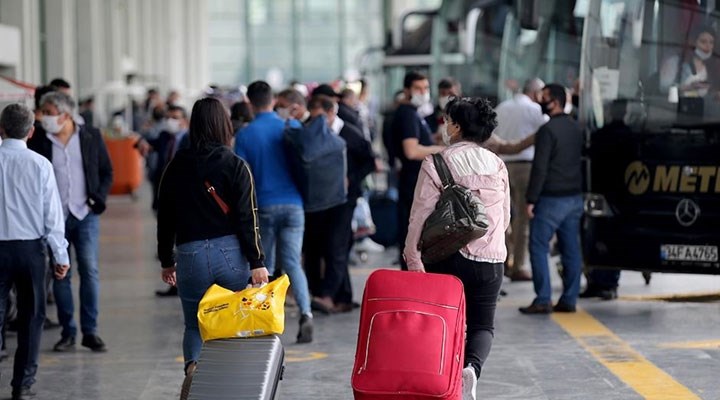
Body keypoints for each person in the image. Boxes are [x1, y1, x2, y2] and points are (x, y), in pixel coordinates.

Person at [157, 97, 269, 385]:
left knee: (194, 324)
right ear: (224, 125)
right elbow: (248, 218)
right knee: (230, 320)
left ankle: (193, 369)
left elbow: (165, 217)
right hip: (229, 253)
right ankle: (227, 381)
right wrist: (257, 262)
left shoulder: (175, 166)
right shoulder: (235, 165)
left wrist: (166, 261)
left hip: (190, 254)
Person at [404, 97, 509, 400]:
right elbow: (504, 218)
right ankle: (472, 369)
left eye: (448, 121)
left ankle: (443, 384)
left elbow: (420, 215)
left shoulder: (437, 161)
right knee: (482, 327)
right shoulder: (497, 163)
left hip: (447, 256)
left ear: (457, 126)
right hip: (490, 259)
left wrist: (413, 257)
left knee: (444, 324)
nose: (445, 126)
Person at [29, 91, 113, 352]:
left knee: (89, 271)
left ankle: (91, 331)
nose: (44, 118)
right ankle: (68, 332)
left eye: (49, 113)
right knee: (60, 274)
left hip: (85, 215)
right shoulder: (40, 140)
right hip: (55, 219)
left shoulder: (90, 136)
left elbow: (106, 171)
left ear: (65, 115)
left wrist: (96, 198)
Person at [235, 81, 314, 343]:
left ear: (249, 102)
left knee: (263, 266)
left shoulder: (245, 135)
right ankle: (306, 313)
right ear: (272, 100)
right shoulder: (289, 127)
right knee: (292, 263)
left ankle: (264, 323)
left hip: (263, 206)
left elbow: (243, 178)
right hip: (294, 204)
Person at [0, 104, 70, 400]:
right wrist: (61, 255)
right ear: (31, 131)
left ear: (1, 130)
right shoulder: (40, 164)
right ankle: (22, 384)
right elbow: (52, 215)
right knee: (31, 316)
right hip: (31, 251)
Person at [519, 84, 584, 314]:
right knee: (571, 249)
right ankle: (569, 299)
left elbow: (540, 168)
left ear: (555, 101)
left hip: (551, 199)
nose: (540, 102)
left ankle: (543, 298)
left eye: (544, 98)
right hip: (574, 198)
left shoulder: (547, 130)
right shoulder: (577, 128)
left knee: (538, 246)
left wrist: (531, 199)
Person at [494, 78, 547, 282]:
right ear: (535, 93)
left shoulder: (502, 107)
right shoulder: (535, 110)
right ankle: (519, 266)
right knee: (523, 218)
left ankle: (505, 261)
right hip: (526, 167)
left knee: (503, 217)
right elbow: (546, 133)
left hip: (502, 166)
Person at [392, 71, 445, 270]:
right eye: (418, 88)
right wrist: (443, 150)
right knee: (413, 234)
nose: (423, 92)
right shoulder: (407, 114)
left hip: (416, 180)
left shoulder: (415, 113)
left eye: (425, 88)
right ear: (407, 90)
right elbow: (412, 150)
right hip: (413, 182)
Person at [660, 25, 719, 98]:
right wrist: (688, 87)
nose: (708, 46)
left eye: (711, 42)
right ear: (693, 43)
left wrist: (715, 95)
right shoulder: (675, 62)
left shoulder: (711, 67)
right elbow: (663, 89)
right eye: (703, 42)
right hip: (675, 107)